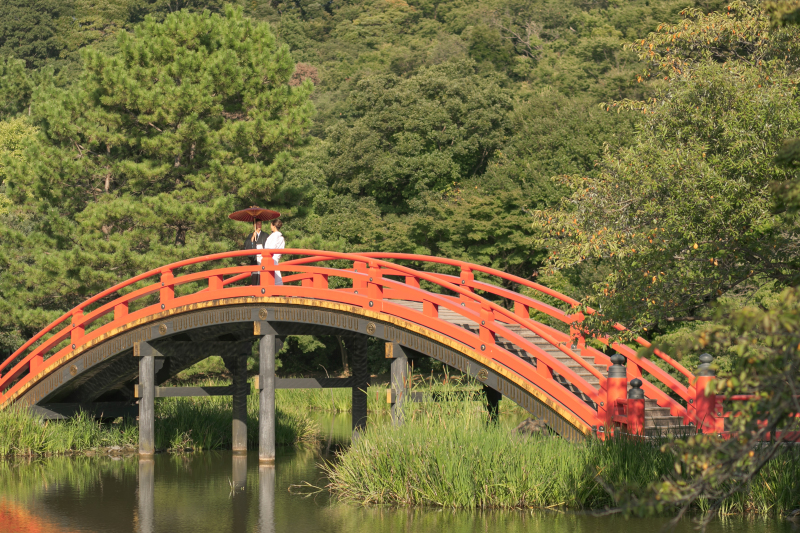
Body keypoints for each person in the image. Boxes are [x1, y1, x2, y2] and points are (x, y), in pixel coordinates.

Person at [243, 219, 269, 286]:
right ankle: (255, 294)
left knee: (264, 276)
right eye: (258, 224)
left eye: (260, 224)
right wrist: (252, 238)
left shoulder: (265, 235)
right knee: (255, 276)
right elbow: (247, 245)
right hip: (255, 259)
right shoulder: (251, 235)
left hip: (263, 259)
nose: (259, 225)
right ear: (254, 225)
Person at [264, 219, 285, 285]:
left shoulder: (275, 236)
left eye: (271, 225)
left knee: (272, 276)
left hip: (270, 258)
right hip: (275, 258)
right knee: (276, 276)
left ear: (274, 226)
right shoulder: (280, 237)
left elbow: (271, 248)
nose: (270, 227)